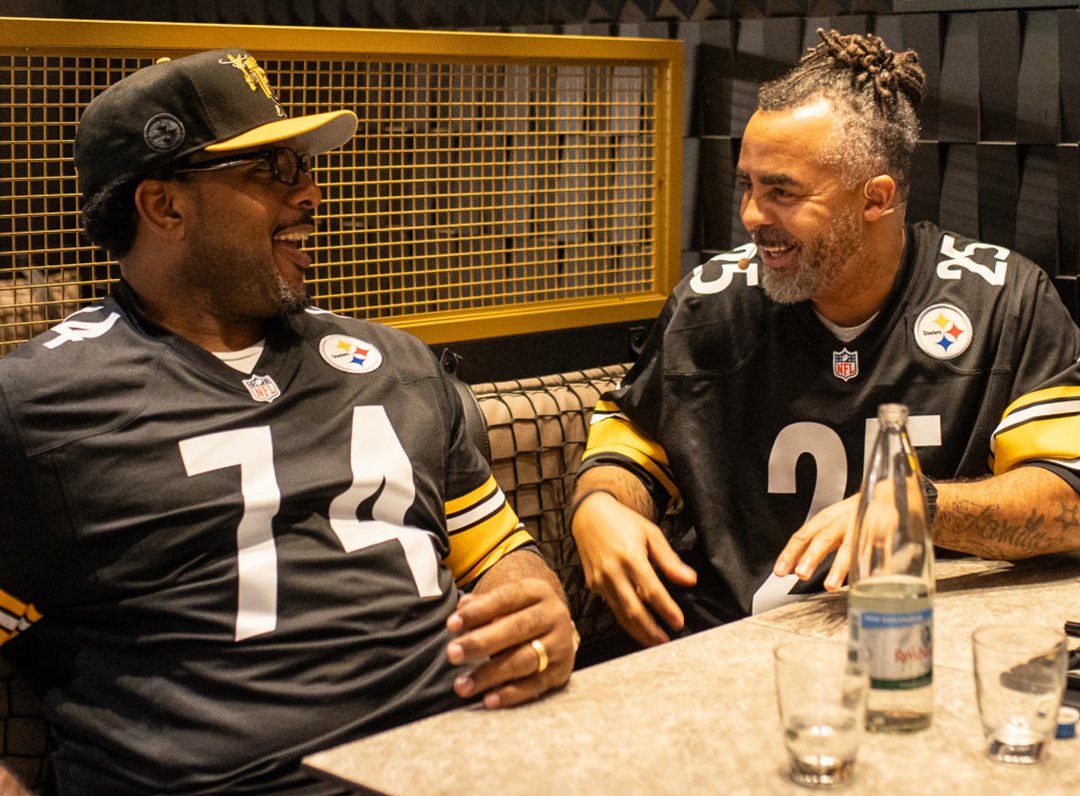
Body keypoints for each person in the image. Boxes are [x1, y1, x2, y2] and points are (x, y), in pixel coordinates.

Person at [0, 49, 576, 794]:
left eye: (299, 167)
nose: (310, 194)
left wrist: (539, 610)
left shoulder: (397, 362)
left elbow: (499, 554)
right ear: (164, 207)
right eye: (270, 172)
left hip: (467, 761)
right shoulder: (37, 406)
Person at [570, 29, 1080, 648]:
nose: (752, 216)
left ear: (876, 199)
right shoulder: (711, 304)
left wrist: (924, 508)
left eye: (782, 191)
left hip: (921, 649)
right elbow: (635, 443)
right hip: (724, 645)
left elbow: (1069, 502)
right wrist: (601, 503)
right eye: (746, 186)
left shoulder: (1006, 303)